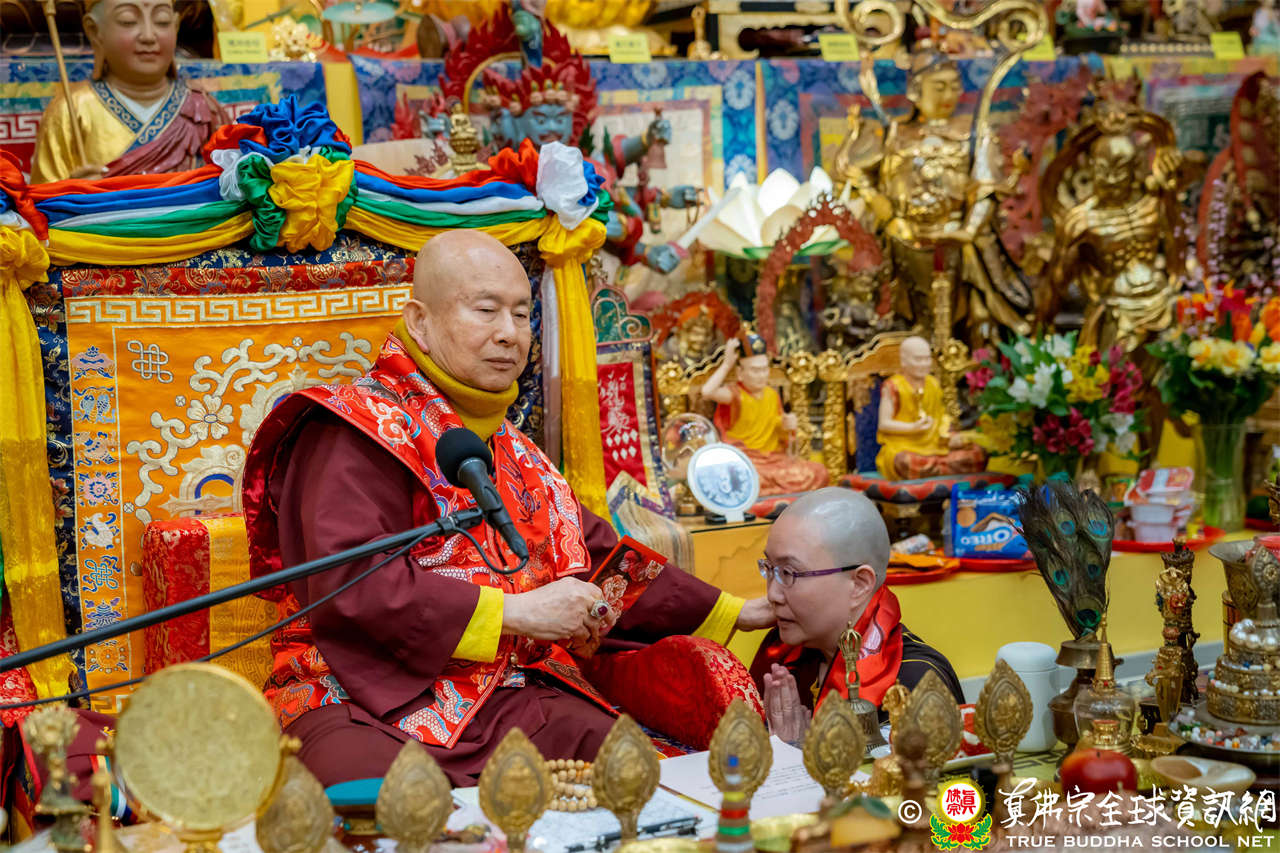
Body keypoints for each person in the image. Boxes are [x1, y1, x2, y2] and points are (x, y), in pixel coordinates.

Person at [239, 230, 774, 787]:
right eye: (486, 310)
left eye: (521, 315)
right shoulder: (352, 429)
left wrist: (736, 612)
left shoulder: (514, 451)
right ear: (419, 322)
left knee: (634, 772)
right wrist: (515, 614)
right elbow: (351, 583)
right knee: (380, 801)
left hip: (504, 693)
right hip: (358, 693)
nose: (509, 334)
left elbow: (598, 558)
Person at [740, 488, 963, 745]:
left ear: (859, 584)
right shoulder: (785, 657)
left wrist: (795, 753)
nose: (772, 594)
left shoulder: (915, 682)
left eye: (789, 573)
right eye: (769, 568)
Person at [30, 0, 226, 182]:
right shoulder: (71, 110)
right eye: (128, 21)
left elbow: (233, 183)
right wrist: (72, 194)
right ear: (94, 31)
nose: (148, 36)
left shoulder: (202, 109)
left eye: (162, 21)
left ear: (175, 26)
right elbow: (42, 199)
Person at [701, 326, 829, 495]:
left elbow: (780, 435)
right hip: (748, 462)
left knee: (819, 472)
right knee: (746, 478)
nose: (761, 375)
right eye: (755, 370)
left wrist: (787, 426)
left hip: (775, 461)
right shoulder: (735, 395)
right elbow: (707, 392)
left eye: (764, 369)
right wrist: (727, 364)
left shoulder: (771, 395)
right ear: (740, 373)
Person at [875, 336, 987, 480]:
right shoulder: (893, 386)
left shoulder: (933, 383)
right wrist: (913, 427)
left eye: (927, 359)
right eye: (918, 359)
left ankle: (935, 468)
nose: (924, 364)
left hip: (935, 443)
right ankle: (943, 468)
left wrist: (947, 435)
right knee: (905, 462)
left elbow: (940, 417)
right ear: (904, 361)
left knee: (978, 452)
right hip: (904, 445)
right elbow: (884, 424)